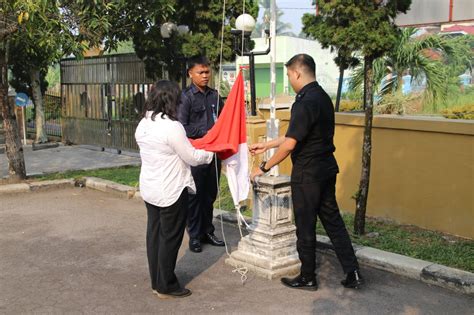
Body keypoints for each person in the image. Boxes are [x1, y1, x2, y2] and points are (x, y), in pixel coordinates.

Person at [250, 54, 364, 291]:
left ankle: (308, 276)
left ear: (298, 73)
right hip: (326, 169)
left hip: (308, 175)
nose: (290, 79)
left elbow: (291, 144)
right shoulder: (322, 97)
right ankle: (352, 271)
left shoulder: (303, 102)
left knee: (305, 225)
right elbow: (296, 134)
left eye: (290, 75)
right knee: (333, 221)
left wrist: (263, 167)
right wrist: (267, 145)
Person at [135, 80, 213, 299]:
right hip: (171, 189)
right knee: (170, 237)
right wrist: (211, 153)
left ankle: (156, 279)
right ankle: (166, 284)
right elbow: (192, 157)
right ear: (172, 99)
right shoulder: (172, 126)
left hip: (151, 187)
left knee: (155, 235)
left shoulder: (144, 123)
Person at [177, 56, 225, 253]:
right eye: (200, 72)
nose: (205, 76)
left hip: (214, 154)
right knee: (195, 196)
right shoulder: (186, 97)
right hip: (196, 153)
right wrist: (205, 132)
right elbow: (181, 126)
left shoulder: (214, 96)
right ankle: (195, 236)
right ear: (190, 74)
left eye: (207, 72)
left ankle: (208, 231)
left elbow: (223, 120)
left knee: (209, 195)